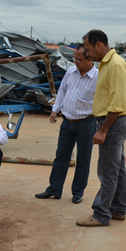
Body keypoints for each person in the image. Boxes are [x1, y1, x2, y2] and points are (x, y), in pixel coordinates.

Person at [76, 29, 126, 227]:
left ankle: (100, 214)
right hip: (115, 122)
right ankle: (117, 209)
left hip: (113, 122)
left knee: (107, 170)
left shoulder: (115, 65)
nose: (88, 54)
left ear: (99, 45)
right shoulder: (108, 64)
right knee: (118, 169)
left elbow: (116, 104)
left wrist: (103, 130)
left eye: (89, 49)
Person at [35, 44, 98, 204]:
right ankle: (54, 189)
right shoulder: (71, 72)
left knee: (83, 159)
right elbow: (62, 91)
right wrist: (55, 110)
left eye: (78, 59)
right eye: (73, 58)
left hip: (86, 123)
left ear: (89, 58)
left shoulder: (98, 77)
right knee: (61, 157)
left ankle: (78, 191)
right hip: (67, 122)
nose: (75, 62)